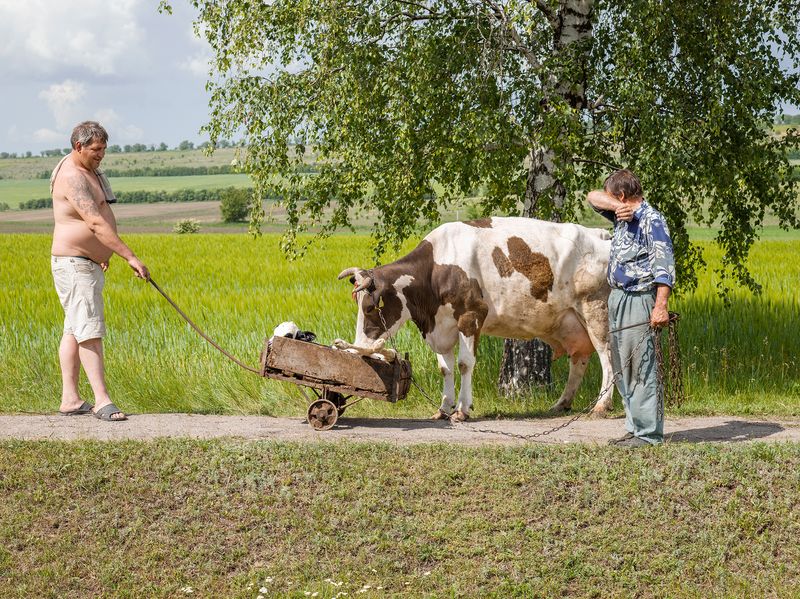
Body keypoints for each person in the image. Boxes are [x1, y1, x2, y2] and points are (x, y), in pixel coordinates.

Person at [50, 121, 150, 422]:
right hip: (74, 264)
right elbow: (94, 222)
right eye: (96, 150)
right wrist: (129, 257)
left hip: (85, 263)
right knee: (89, 331)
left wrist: (102, 253)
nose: (101, 155)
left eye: (104, 149)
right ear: (78, 147)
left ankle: (70, 399)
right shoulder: (72, 176)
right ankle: (102, 400)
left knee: (74, 330)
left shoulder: (89, 171)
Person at [587, 169, 675, 447]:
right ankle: (634, 426)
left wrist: (660, 306)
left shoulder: (652, 221)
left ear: (623, 194)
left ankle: (648, 434)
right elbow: (591, 197)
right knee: (623, 365)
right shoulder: (620, 215)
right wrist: (617, 207)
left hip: (640, 298)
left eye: (614, 196)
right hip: (618, 297)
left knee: (642, 365)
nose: (609, 201)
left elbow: (665, 268)